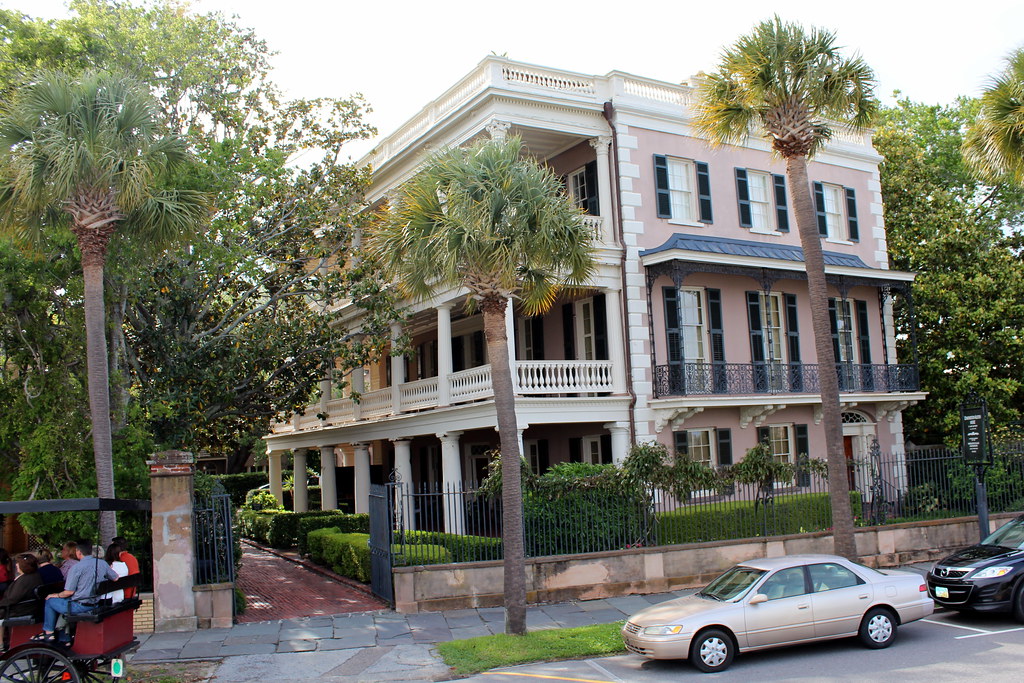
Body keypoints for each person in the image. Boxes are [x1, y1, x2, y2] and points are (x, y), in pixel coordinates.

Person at [35, 540, 117, 642]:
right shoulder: (102, 563)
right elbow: (115, 578)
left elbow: (69, 592)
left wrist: (55, 595)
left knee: (50, 601)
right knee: (62, 602)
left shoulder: (76, 568)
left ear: (78, 552)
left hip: (79, 606)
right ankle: (64, 636)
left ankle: (49, 632)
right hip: (95, 603)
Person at [0, 554, 44, 618]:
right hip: (28, 608)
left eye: (18, 563)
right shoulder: (35, 575)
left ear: (23, 565)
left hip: (19, 610)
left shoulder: (24, 580)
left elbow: (12, 599)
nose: (16, 565)